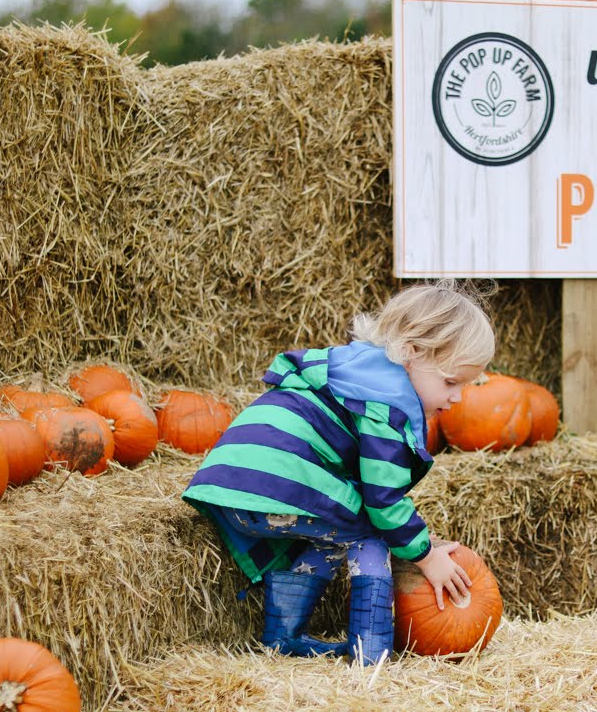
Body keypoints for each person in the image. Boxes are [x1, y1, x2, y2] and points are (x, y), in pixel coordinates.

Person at [181, 281, 495, 666]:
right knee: (370, 534)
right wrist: (426, 556)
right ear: (410, 352)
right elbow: (383, 501)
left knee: (337, 532)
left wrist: (415, 541)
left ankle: (284, 635)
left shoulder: (353, 372)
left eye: (466, 385)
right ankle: (371, 656)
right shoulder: (387, 404)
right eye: (451, 382)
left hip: (233, 483)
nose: (458, 397)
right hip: (276, 484)